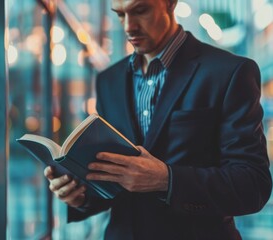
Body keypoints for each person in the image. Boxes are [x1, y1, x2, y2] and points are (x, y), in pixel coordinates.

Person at [44, 0, 273, 239]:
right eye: (120, 15)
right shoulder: (108, 80)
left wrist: (166, 179)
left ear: (170, 4)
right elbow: (114, 184)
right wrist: (80, 196)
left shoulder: (229, 72)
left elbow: (253, 185)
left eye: (140, 10)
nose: (128, 27)